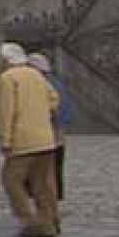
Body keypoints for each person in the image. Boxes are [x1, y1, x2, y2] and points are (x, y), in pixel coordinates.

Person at [0, 43, 61, 237]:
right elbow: (54, 99)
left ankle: (30, 220)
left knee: (11, 179)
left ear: (6, 60)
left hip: (23, 139)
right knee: (44, 183)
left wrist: (5, 139)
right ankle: (50, 220)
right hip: (46, 138)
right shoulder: (36, 75)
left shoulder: (7, 79)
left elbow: (6, 112)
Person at [27, 53, 75, 203]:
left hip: (48, 135)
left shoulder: (47, 85)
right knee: (52, 168)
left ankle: (48, 198)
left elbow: (60, 111)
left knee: (48, 168)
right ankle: (51, 196)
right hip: (53, 135)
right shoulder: (54, 84)